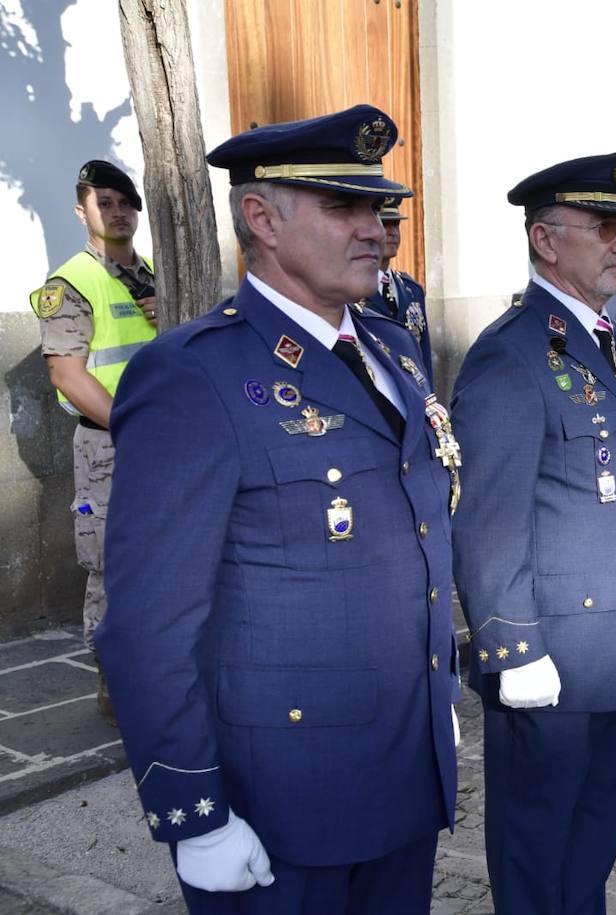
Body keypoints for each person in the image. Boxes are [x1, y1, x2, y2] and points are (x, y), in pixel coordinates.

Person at [95, 105, 459, 913]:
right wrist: (196, 814)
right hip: (283, 806)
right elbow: (148, 625)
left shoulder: (393, 348)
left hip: (403, 769)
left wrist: (437, 702)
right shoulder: (195, 376)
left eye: (378, 206)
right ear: (259, 216)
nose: (375, 227)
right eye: (344, 207)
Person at [449, 152, 616, 914]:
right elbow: (488, 518)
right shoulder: (512, 354)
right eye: (605, 225)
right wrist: (512, 647)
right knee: (537, 843)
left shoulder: (611, 341)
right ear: (546, 240)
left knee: (595, 836)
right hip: (553, 659)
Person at [29, 160, 156, 723]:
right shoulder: (71, 284)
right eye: (105, 201)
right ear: (81, 211)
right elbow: (67, 375)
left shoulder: (156, 274)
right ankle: (115, 681)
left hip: (168, 444)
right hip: (111, 445)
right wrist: (135, 429)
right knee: (111, 563)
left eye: (126, 200)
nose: (118, 210)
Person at [358, 195, 432, 376]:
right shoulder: (352, 292)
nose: (393, 233)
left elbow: (424, 357)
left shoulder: (412, 290)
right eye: (386, 224)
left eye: (396, 225)